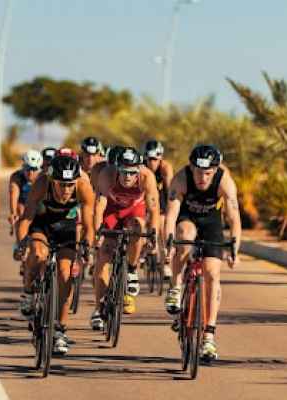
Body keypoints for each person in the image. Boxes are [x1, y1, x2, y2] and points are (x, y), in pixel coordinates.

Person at [164, 144, 242, 362]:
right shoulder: (180, 179)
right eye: (199, 172)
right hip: (186, 218)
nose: (202, 178)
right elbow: (171, 216)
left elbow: (234, 218)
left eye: (208, 173)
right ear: (191, 167)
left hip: (211, 223)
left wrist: (234, 249)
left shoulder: (225, 181)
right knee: (185, 235)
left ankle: (208, 336)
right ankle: (176, 287)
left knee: (212, 273)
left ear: (215, 170)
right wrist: (169, 244)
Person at [15, 155, 95, 355]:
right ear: (52, 180)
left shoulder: (83, 187)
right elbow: (26, 218)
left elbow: (88, 225)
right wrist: (21, 243)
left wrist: (87, 245)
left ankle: (59, 330)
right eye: (61, 185)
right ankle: (28, 292)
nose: (66, 190)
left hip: (66, 229)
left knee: (65, 274)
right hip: (42, 225)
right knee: (38, 254)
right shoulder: (42, 183)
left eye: (70, 185)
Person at [91, 147, 160, 328]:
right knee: (104, 256)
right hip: (112, 211)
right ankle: (98, 308)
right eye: (123, 171)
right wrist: (97, 233)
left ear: (139, 169)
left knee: (138, 227)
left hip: (134, 211)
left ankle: (131, 269)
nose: (128, 176)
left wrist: (153, 235)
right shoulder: (107, 175)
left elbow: (153, 208)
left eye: (132, 172)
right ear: (117, 168)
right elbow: (99, 206)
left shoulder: (147, 177)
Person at [143, 140, 174, 279]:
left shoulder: (165, 168)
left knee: (162, 224)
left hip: (161, 198)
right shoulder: (141, 167)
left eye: (154, 159)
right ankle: (143, 248)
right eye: (149, 159)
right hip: (144, 198)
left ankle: (165, 262)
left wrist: (169, 212)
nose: (151, 163)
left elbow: (170, 192)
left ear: (160, 158)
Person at [8, 150, 42, 234]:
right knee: (20, 210)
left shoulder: (43, 177)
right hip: (23, 205)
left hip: (38, 204)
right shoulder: (16, 177)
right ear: (23, 167)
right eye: (27, 168)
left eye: (34, 169)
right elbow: (13, 195)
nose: (30, 172)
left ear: (39, 168)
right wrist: (13, 213)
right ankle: (21, 240)